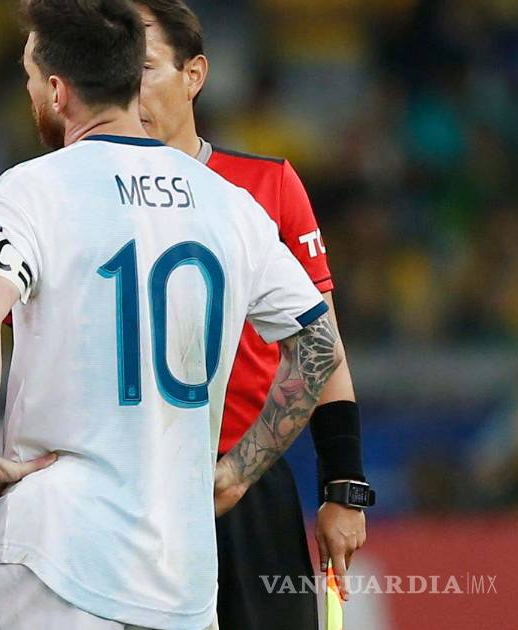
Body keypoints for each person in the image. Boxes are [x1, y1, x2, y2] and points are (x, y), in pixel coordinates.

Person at [0, 1, 344, 628]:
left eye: (30, 77)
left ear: (57, 90)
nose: (29, 91)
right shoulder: (231, 204)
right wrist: (238, 470)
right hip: (179, 573)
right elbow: (319, 347)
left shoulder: (26, 190)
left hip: (56, 552)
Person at [132, 0, 373, 625]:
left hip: (243, 479)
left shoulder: (266, 186)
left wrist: (342, 488)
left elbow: (322, 346)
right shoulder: (78, 191)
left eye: (145, 66)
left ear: (194, 74)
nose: (127, 84)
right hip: (128, 487)